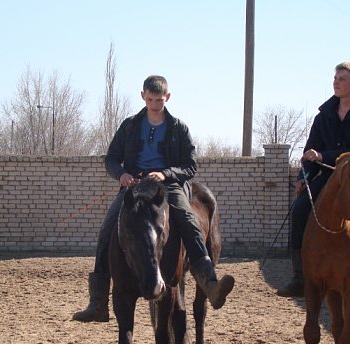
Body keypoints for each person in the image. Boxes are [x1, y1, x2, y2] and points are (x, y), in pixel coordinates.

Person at [73, 75, 235, 322]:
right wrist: (122, 174)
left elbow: (190, 165)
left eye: (159, 100)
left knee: (189, 223)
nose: (155, 104)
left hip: (168, 187)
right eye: (150, 99)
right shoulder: (129, 126)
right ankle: (98, 302)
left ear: (167, 98)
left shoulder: (178, 128)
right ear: (143, 96)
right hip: (135, 187)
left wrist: (166, 173)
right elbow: (111, 158)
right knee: (106, 230)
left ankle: (209, 284)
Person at [276, 61, 350, 312]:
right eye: (335, 77)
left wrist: (323, 156)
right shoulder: (324, 116)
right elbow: (310, 151)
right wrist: (303, 177)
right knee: (299, 211)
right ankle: (299, 275)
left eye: (342, 78)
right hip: (329, 178)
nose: (336, 81)